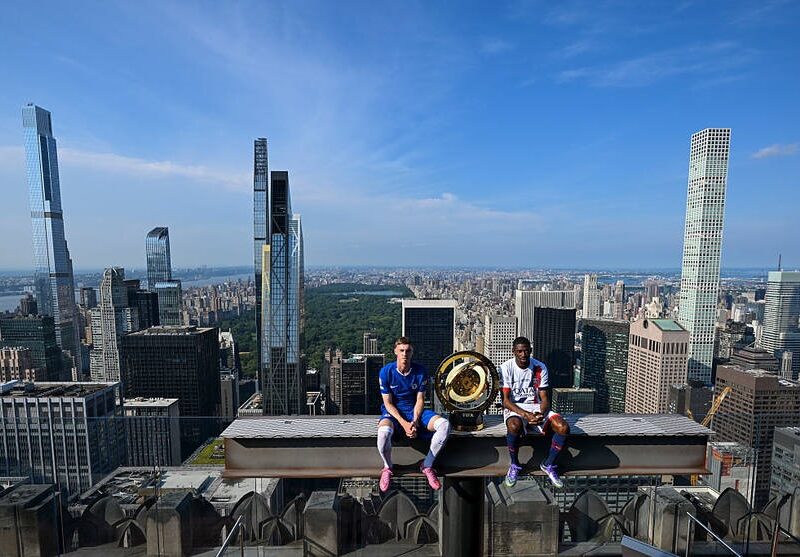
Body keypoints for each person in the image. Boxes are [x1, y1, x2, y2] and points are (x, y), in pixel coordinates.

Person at [376, 336, 451, 492]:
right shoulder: (386, 372)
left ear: (412, 352)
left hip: (415, 411)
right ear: (395, 351)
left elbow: (420, 399)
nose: (405, 354)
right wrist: (404, 423)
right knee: (383, 433)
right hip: (394, 413)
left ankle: (427, 465)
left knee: (444, 425)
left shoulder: (420, 371)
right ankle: (387, 467)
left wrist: (415, 421)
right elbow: (388, 403)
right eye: (401, 350)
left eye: (408, 351)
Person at [500, 336, 570, 488]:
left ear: (530, 351)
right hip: (515, 408)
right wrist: (525, 415)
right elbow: (505, 401)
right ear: (513, 352)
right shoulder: (506, 367)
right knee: (513, 426)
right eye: (519, 351)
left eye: (526, 351)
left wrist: (541, 414)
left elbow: (544, 398)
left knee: (563, 427)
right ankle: (514, 464)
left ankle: (548, 464)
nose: (523, 354)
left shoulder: (540, 367)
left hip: (536, 407)